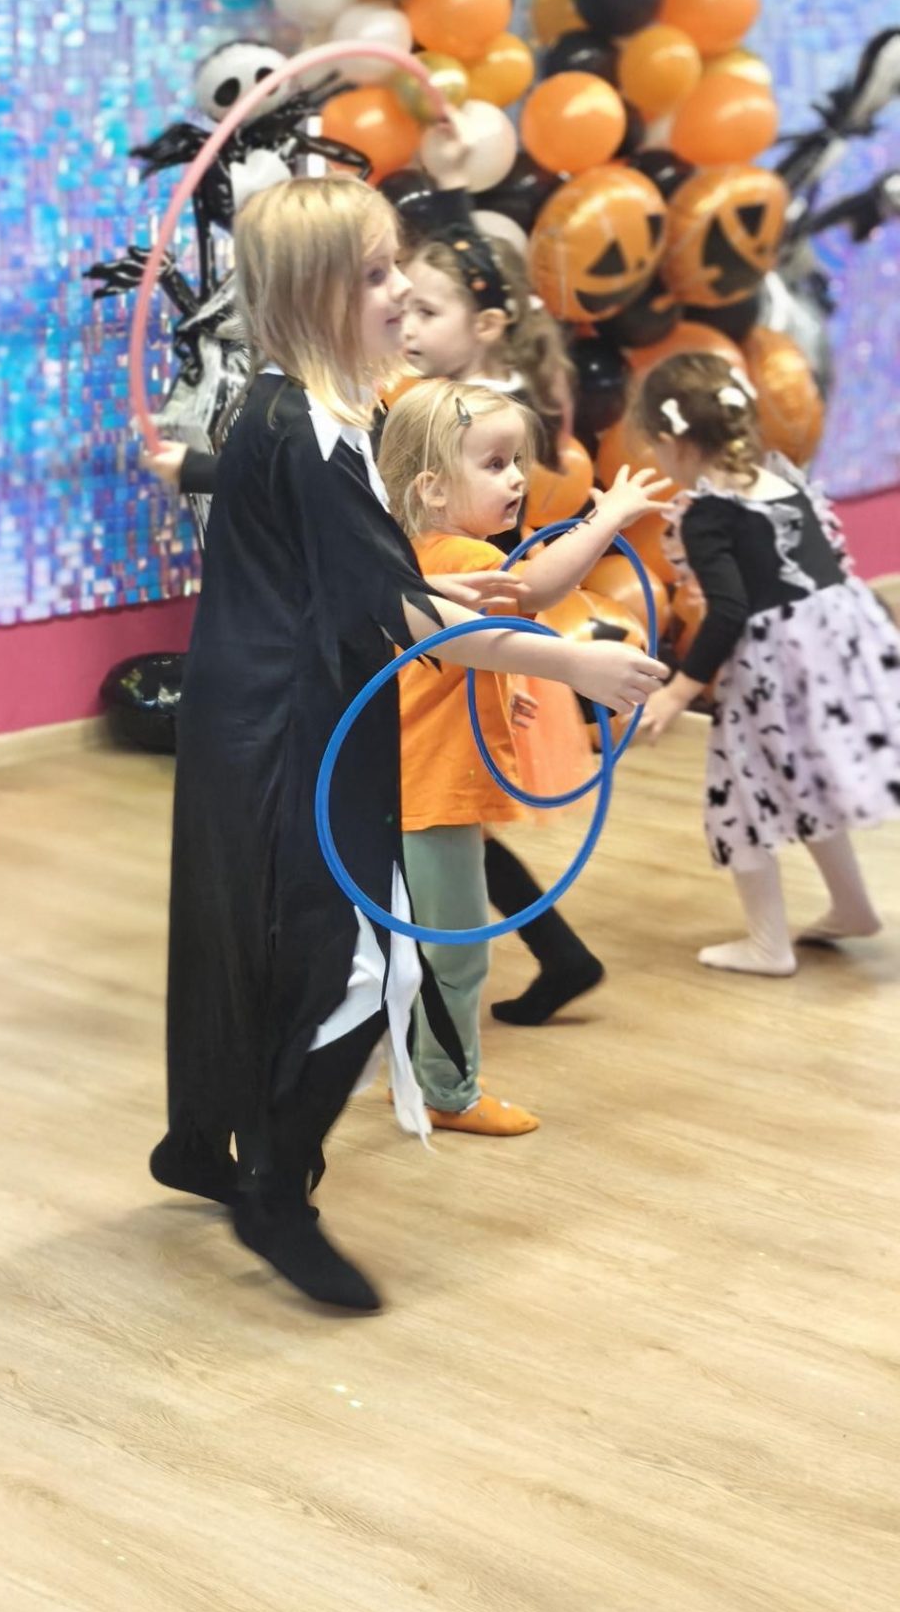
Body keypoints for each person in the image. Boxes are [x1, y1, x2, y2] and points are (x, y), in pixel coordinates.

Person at [154, 178, 664, 1314]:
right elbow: (404, 619)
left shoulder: (310, 412)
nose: (402, 292)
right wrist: (572, 666)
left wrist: (431, 585)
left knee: (261, 940)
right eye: (379, 274)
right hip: (287, 733)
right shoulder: (307, 432)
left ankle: (200, 1143)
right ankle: (274, 1194)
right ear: (317, 294)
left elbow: (352, 580)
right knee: (358, 965)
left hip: (283, 715)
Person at [376, 382, 662, 1134]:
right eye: (495, 464)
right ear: (433, 488)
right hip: (433, 791)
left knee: (410, 942)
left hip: (402, 784)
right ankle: (449, 1093)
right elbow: (534, 589)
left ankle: (411, 1071)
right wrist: (606, 519)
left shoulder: (402, 559)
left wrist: (496, 697)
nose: (516, 479)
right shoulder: (466, 557)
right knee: (457, 954)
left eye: (517, 462)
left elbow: (439, 667)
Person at [398, 195, 614, 1027]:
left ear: (485, 324)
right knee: (452, 828)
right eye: (405, 307)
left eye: (428, 311)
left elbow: (518, 583)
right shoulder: (460, 401)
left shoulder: (474, 418)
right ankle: (560, 953)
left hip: (472, 636)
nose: (408, 325)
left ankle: (444, 1001)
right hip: (464, 640)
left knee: (443, 819)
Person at [635, 350, 900, 974]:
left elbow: (728, 610)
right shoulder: (782, 481)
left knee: (741, 792)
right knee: (805, 778)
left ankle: (767, 944)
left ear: (673, 442)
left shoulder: (707, 513)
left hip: (775, 668)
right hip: (834, 654)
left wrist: (677, 692)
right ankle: (852, 907)